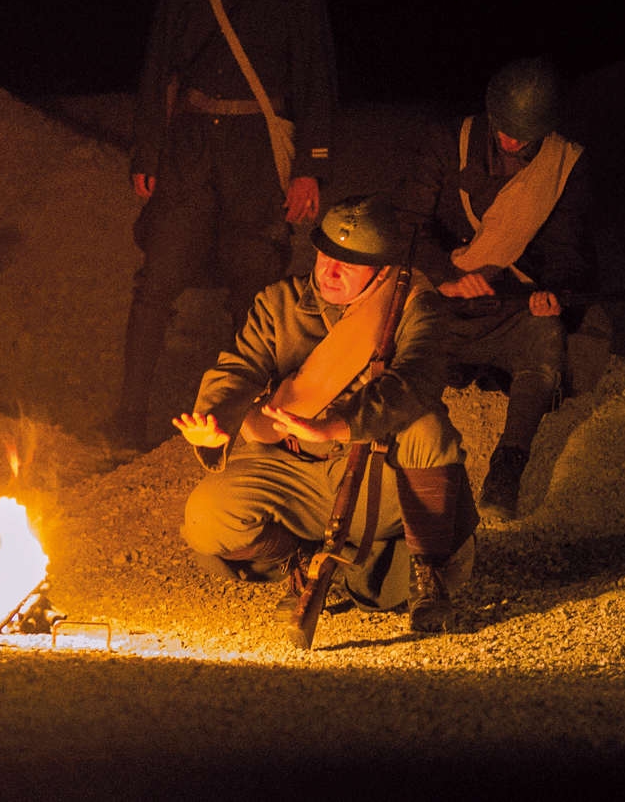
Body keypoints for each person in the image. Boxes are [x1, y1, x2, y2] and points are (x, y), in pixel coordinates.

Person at [110, 0, 338, 451]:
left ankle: (250, 425)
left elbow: (316, 83)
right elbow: (157, 68)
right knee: (155, 284)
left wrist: (308, 169)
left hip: (256, 160)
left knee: (255, 293)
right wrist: (147, 152)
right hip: (188, 150)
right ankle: (128, 420)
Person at [176, 195, 476, 633]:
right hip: (290, 471)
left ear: (381, 270)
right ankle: (300, 563)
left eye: (348, 265)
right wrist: (214, 420)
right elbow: (240, 368)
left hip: (379, 475)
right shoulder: (278, 303)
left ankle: (427, 575)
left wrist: (338, 425)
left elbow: (416, 380)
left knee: (426, 427)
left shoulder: (414, 307)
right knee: (207, 519)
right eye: (326, 256)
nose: (330, 272)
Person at [392, 57, 602, 523]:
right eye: (504, 128)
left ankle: (509, 465)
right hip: (439, 302)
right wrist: (445, 271)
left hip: (505, 304)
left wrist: (552, 294)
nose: (511, 140)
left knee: (547, 334)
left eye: (524, 134)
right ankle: (406, 462)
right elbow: (407, 226)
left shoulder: (563, 166)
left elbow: (567, 252)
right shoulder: (448, 142)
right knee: (392, 336)